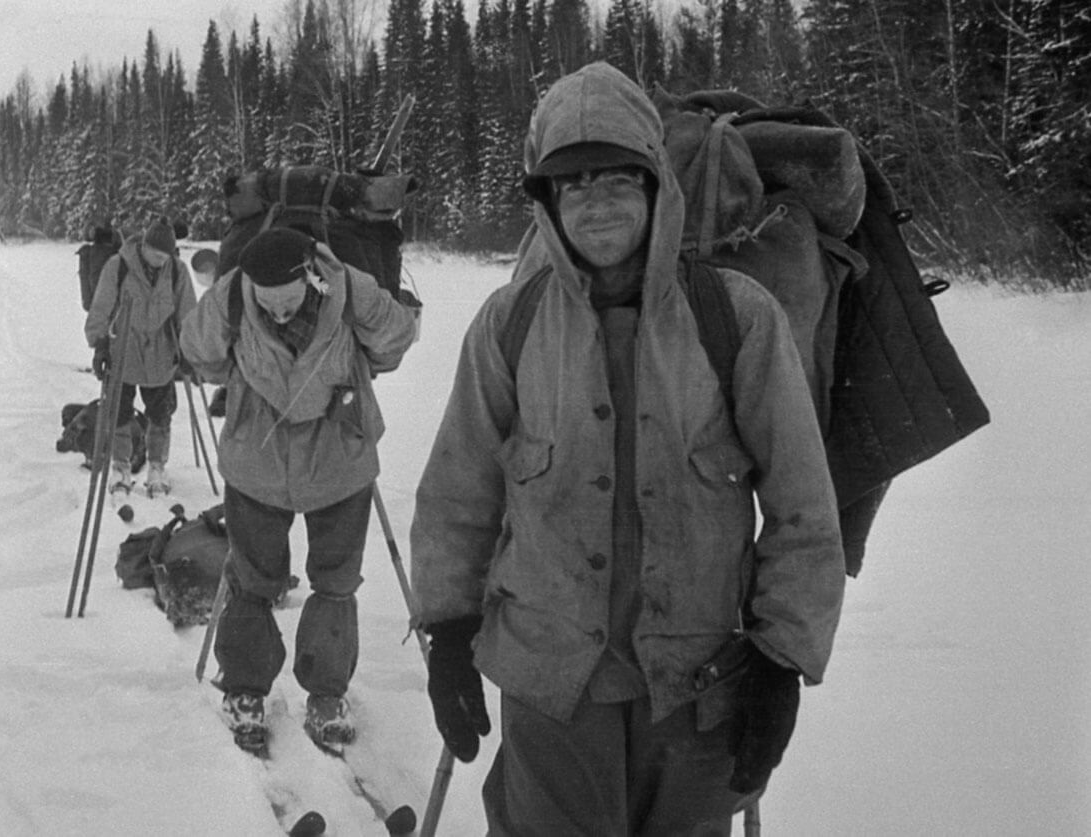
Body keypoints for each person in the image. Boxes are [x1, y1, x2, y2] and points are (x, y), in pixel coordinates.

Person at [409, 62, 846, 835]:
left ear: (655, 187)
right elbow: (458, 493)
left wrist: (783, 661)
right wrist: (447, 631)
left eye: (618, 179)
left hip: (698, 691)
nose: (597, 203)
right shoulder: (509, 325)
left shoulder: (738, 318)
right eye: (573, 185)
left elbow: (802, 505)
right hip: (551, 687)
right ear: (547, 203)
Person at [180, 227, 417, 754]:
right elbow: (199, 351)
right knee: (252, 578)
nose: (280, 315)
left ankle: (327, 693)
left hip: (339, 460)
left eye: (289, 303)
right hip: (256, 463)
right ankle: (244, 688)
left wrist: (379, 321)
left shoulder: (349, 289)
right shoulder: (233, 296)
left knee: (335, 581)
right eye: (269, 305)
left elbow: (396, 340)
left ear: (311, 277)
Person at [84, 219, 197, 496]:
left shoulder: (177, 271)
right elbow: (101, 306)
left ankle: (157, 467)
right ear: (143, 246)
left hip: (161, 352)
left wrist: (190, 350)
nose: (160, 260)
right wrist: (99, 344)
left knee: (161, 415)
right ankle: (121, 467)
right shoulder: (118, 265)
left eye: (165, 256)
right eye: (155, 254)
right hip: (123, 349)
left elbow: (188, 312)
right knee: (119, 413)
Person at [76, 223, 121, 313]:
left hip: (99, 308)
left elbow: (87, 300)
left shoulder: (88, 253)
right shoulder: (119, 254)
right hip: (116, 308)